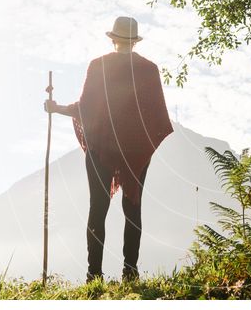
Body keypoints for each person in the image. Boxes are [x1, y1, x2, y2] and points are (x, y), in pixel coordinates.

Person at [44, 16, 174, 283]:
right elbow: (156, 118)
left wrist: (55, 108)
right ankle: (130, 272)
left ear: (113, 38)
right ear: (134, 42)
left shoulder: (98, 66)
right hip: (135, 152)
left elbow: (85, 108)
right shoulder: (149, 70)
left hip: (100, 149)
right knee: (133, 208)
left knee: (98, 208)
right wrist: (142, 146)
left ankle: (94, 275)